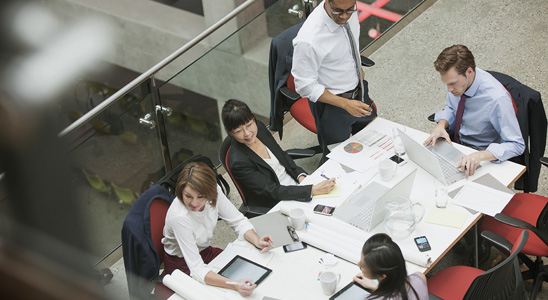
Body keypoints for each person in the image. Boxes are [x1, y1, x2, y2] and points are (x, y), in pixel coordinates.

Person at [162, 162, 274, 297]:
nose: (194, 203)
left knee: (255, 271)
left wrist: (257, 241)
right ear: (181, 191)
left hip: (204, 251)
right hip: (181, 264)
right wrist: (234, 284)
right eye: (188, 196)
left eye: (201, 196)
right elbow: (197, 270)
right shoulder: (180, 217)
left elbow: (238, 222)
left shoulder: (213, 191)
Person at [292, 0, 377, 163]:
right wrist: (345, 104)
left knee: (374, 141)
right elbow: (304, 86)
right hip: (333, 107)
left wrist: (357, 67)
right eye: (338, 11)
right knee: (337, 159)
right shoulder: (309, 39)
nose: (344, 16)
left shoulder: (348, 12)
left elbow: (349, 43)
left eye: (350, 10)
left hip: (359, 91)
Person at [423, 45, 525, 178]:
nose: (449, 90)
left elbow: (517, 145)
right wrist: (441, 124)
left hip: (481, 157)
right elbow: (451, 108)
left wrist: (480, 155)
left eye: (452, 83)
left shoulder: (496, 99)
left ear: (469, 72)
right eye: (446, 83)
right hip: (456, 148)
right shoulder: (457, 83)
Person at [222, 99, 335, 208]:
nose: (247, 133)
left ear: (253, 117)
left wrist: (300, 175)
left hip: (297, 185)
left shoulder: (259, 128)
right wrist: (311, 190)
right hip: (279, 200)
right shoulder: (238, 161)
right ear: (230, 132)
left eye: (249, 124)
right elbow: (272, 191)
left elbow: (282, 155)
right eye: (238, 131)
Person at [353, 233, 428, 300]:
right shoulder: (419, 277)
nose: (358, 264)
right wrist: (376, 288)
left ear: (382, 276)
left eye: (362, 266)